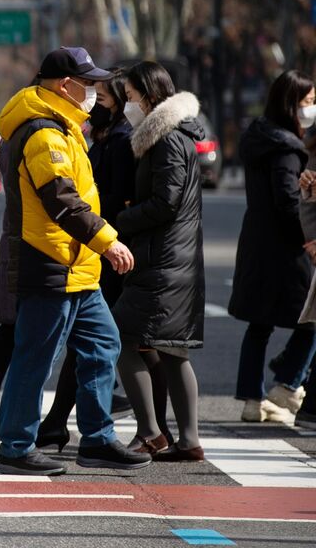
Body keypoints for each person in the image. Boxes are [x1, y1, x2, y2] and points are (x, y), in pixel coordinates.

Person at [0, 47, 148, 476]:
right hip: (50, 264)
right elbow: (61, 201)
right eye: (90, 84)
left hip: (76, 268)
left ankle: (96, 439)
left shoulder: (64, 128)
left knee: (103, 345)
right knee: (36, 357)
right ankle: (16, 446)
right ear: (65, 85)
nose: (96, 93)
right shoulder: (43, 133)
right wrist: (108, 241)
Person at [37, 70, 139, 450]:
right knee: (56, 349)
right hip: (90, 248)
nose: (99, 100)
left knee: (98, 341)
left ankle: (70, 427)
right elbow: (71, 199)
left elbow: (110, 196)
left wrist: (109, 235)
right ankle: (37, 434)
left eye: (110, 94)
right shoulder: (73, 134)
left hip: (103, 248)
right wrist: (105, 236)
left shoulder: (117, 137)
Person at [112, 62, 206, 461]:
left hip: (162, 259)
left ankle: (152, 432)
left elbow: (165, 203)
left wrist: (122, 216)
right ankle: (188, 440)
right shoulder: (176, 135)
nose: (127, 105)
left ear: (150, 96)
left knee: (120, 338)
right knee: (170, 349)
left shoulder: (166, 140)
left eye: (131, 97)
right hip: (174, 258)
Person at [230, 70, 316, 424]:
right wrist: (308, 236)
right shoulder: (286, 148)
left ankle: (252, 399)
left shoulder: (259, 137)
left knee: (260, 323)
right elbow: (286, 200)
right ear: (291, 104)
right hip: (287, 247)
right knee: (311, 319)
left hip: (257, 241)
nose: (312, 109)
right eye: (309, 102)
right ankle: (286, 383)